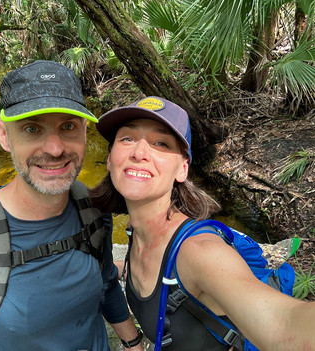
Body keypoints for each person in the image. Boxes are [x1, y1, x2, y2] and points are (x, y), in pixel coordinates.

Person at [0, 60, 143, 351]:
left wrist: (133, 342)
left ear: (84, 132)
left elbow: (106, 284)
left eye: (67, 127)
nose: (55, 149)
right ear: (4, 136)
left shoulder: (92, 209)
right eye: (32, 129)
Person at [90, 96, 315, 350]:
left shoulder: (200, 252)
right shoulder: (137, 232)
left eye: (161, 143)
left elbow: (284, 326)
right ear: (110, 159)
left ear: (182, 169)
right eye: (127, 138)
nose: (139, 152)